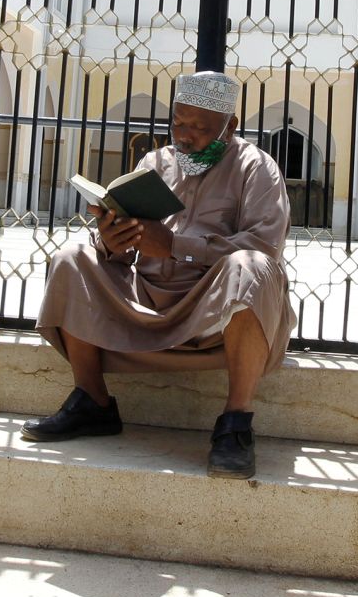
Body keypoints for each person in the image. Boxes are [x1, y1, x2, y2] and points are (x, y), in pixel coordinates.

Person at [24, 71, 294, 479]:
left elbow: (264, 248)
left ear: (230, 126)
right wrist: (112, 240)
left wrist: (174, 247)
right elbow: (118, 250)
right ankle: (93, 401)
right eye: (178, 123)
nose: (185, 136)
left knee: (251, 267)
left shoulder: (256, 168)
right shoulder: (154, 164)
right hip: (143, 298)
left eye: (200, 129)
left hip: (210, 305)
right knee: (72, 256)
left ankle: (235, 424)